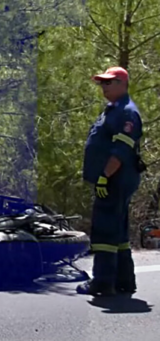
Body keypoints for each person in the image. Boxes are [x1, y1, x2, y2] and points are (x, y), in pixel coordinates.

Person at [78, 66, 145, 296]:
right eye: (102, 83)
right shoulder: (113, 110)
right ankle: (124, 280)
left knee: (105, 231)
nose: (103, 87)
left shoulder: (126, 112)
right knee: (119, 232)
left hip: (115, 180)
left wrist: (104, 177)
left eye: (108, 82)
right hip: (115, 180)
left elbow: (120, 152)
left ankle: (103, 283)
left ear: (122, 84)